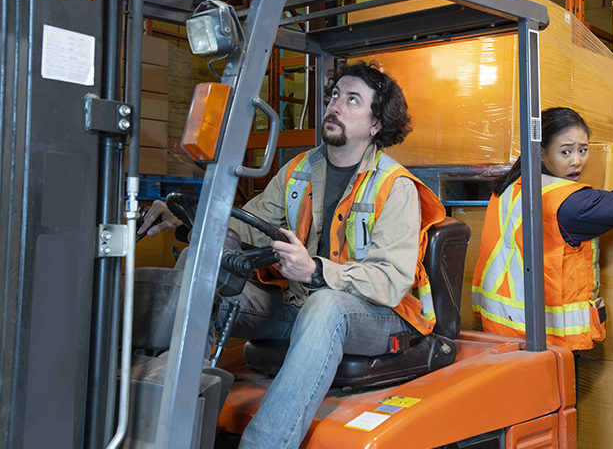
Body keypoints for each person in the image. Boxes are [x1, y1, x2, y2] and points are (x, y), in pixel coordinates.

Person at [138, 61, 445, 448]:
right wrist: (189, 218)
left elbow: (390, 281)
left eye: (353, 101)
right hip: (300, 305)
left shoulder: (393, 186)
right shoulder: (300, 169)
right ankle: (164, 427)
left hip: (379, 316)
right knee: (202, 266)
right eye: (335, 96)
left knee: (327, 306)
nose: (336, 106)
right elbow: (249, 226)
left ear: (376, 124)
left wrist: (315, 270)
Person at [471, 107, 613, 354]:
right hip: (543, 340)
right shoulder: (565, 200)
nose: (577, 160)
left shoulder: (512, 188)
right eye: (566, 152)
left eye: (582, 150)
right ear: (540, 153)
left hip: (502, 330)